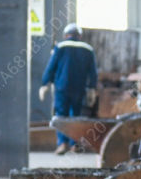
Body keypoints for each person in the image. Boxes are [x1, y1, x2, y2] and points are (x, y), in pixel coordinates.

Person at [40, 23, 99, 155]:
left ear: (66, 35)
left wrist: (45, 83)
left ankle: (62, 144)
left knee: (61, 115)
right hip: (79, 88)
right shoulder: (88, 49)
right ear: (79, 36)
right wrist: (92, 88)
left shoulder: (60, 47)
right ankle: (75, 144)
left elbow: (51, 67)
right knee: (75, 116)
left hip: (62, 87)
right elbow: (93, 72)